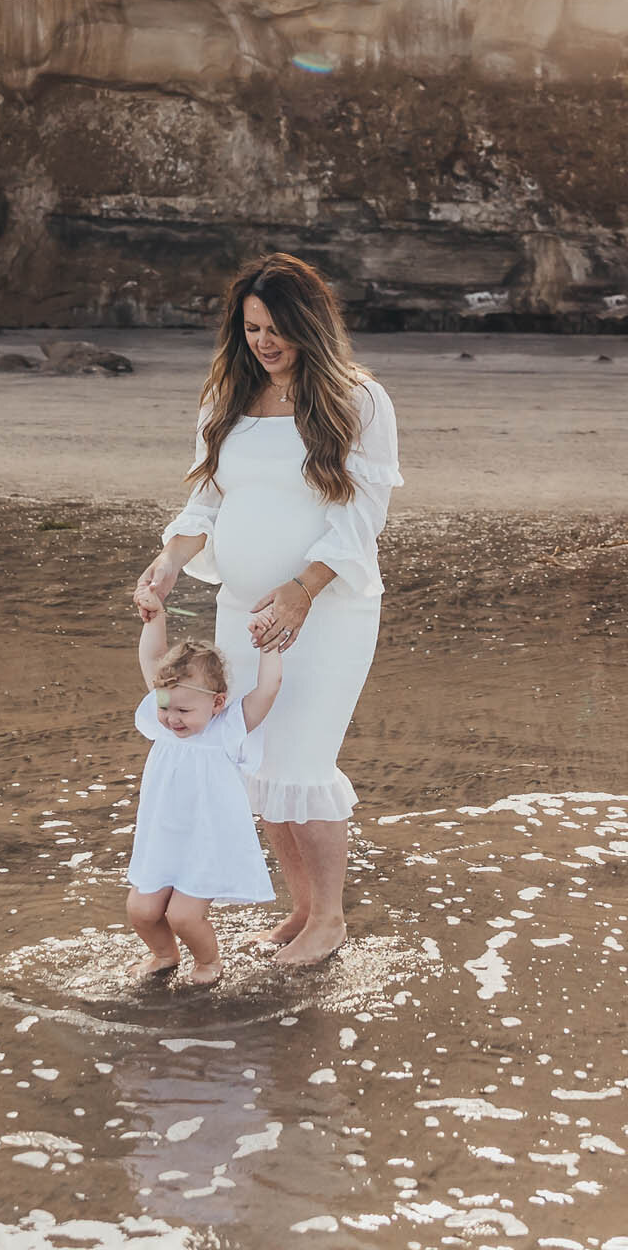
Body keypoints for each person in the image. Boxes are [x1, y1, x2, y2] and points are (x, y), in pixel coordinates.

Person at [135, 252, 403, 967]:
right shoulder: (226, 399)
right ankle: (303, 909)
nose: (265, 342)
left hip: (329, 612)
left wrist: (303, 588)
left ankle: (332, 920)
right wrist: (169, 561)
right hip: (241, 616)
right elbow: (206, 503)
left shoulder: (357, 401)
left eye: (278, 327)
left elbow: (362, 515)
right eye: (252, 328)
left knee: (303, 763)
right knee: (259, 763)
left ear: (310, 325)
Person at [126, 586, 282, 986]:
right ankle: (164, 954)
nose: (171, 718)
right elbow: (150, 658)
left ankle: (209, 962)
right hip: (164, 837)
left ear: (216, 703)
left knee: (183, 914)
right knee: (141, 910)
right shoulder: (163, 726)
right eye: (164, 706)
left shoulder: (226, 728)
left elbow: (267, 691)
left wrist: (269, 647)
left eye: (183, 710)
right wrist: (155, 617)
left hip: (207, 840)